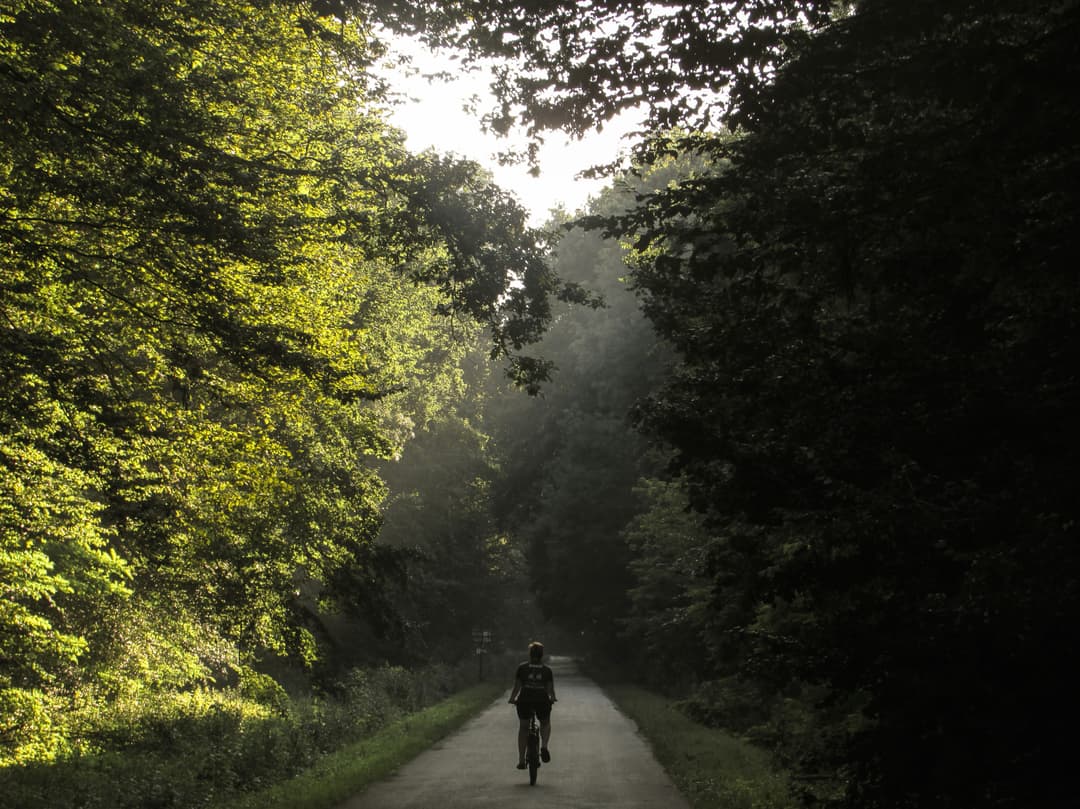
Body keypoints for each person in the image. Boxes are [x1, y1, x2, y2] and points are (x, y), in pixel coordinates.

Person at [508, 640, 556, 769]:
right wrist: (552, 698)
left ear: (530, 654)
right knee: (545, 723)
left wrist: (512, 698)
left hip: (525, 700)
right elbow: (550, 691)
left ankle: (522, 760)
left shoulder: (522, 668)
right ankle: (544, 746)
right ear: (542, 655)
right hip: (542, 701)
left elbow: (517, 687)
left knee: (524, 728)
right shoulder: (547, 671)